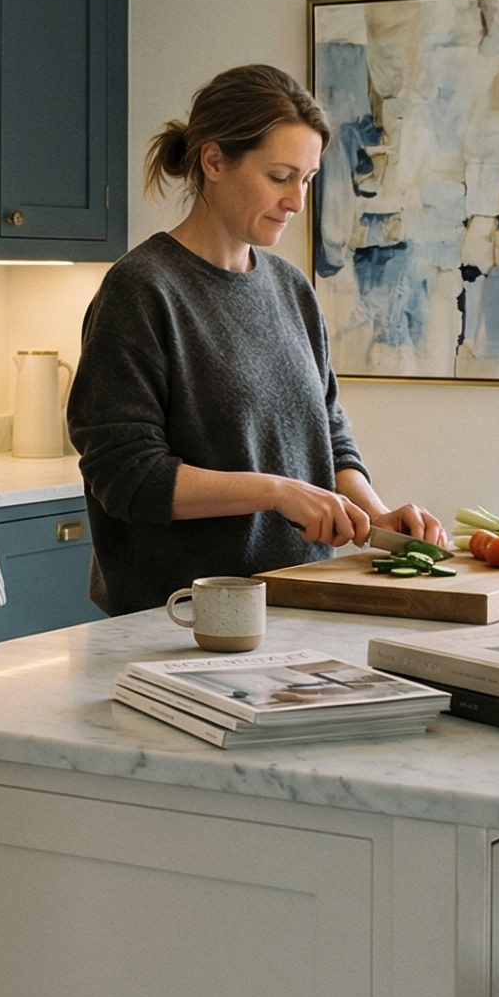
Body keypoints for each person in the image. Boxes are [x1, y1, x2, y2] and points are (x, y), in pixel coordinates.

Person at [66, 62, 447, 616]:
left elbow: (329, 438)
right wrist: (278, 492)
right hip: (182, 620)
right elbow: (128, 477)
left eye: (308, 180)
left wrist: (377, 519)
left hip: (299, 605)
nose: (297, 200)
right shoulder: (142, 289)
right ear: (214, 160)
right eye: (280, 176)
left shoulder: (291, 289)